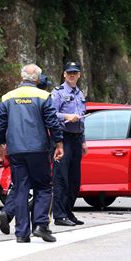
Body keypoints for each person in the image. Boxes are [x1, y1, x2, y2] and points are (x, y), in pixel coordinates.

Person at [0, 64, 63, 243]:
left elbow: (0, 124)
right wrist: (59, 143)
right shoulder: (43, 96)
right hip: (38, 149)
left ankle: (21, 234)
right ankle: (41, 226)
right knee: (44, 186)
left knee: (20, 189)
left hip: (16, 150)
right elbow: (52, 122)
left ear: (21, 77)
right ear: (38, 79)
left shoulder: (7, 97)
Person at [51, 61, 88, 226]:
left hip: (77, 138)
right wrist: (66, 116)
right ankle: (59, 215)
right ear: (64, 74)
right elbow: (51, 114)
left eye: (75, 72)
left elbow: (82, 118)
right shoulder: (58, 93)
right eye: (69, 73)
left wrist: (84, 141)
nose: (72, 75)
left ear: (79, 75)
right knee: (61, 178)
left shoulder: (80, 94)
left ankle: (68, 211)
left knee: (75, 180)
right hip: (63, 138)